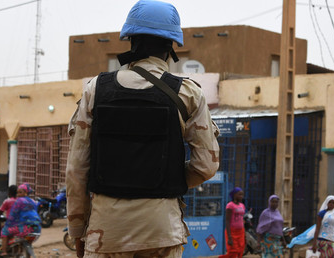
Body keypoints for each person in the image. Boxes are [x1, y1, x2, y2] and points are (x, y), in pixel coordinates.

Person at [65, 0, 220, 257]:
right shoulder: (188, 93)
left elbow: (77, 169)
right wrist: (166, 179)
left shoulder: (95, 89)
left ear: (131, 41)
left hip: (106, 233)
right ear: (171, 46)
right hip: (161, 232)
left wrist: (77, 229)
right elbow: (206, 166)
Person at [0, 183, 41, 256]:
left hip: (26, 228)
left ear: (26, 193)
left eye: (20, 192)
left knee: (4, 231)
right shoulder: (33, 201)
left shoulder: (19, 201)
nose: (18, 195)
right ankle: (20, 251)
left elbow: (13, 215)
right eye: (17, 192)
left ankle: (4, 252)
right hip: (37, 228)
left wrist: (6, 224)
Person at [219, 187, 246, 258]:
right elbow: (227, 221)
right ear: (234, 195)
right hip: (232, 232)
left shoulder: (242, 205)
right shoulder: (230, 205)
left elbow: (242, 218)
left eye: (242, 195)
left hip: (241, 231)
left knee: (240, 251)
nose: (241, 196)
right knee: (233, 252)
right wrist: (229, 236)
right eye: (239, 194)